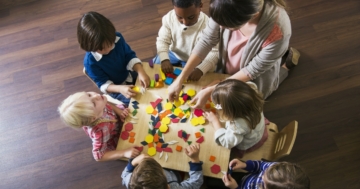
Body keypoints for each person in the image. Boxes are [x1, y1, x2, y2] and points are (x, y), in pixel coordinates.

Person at [168, 0, 300, 108]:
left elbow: (252, 70)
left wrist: (213, 88)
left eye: (227, 27)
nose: (221, 29)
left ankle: (286, 66)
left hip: (255, 73)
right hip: (232, 61)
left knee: (262, 90)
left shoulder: (279, 32)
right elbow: (207, 40)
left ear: (252, 16)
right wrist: (181, 78)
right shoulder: (223, 5)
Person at [77, 11, 150, 106]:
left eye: (110, 44)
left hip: (129, 74)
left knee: (149, 85)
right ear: (89, 46)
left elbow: (129, 56)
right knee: (139, 103)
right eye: (101, 49)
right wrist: (121, 89)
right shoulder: (90, 62)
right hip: (116, 89)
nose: (108, 50)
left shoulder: (117, 38)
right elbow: (103, 84)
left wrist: (141, 71)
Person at [58, 91, 140, 161]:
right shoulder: (100, 131)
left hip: (117, 119)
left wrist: (119, 112)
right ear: (93, 118)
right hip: (116, 135)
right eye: (93, 103)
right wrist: (124, 153)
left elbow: (107, 103)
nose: (96, 96)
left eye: (89, 95)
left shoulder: (100, 103)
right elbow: (99, 157)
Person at [154, 0, 218, 81]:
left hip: (194, 59)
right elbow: (162, 40)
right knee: (155, 67)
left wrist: (200, 69)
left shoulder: (208, 26)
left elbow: (215, 52)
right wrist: (164, 59)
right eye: (179, 17)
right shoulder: (169, 18)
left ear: (200, 6)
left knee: (192, 80)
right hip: (173, 53)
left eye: (191, 17)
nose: (185, 22)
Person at [203, 79, 267, 158]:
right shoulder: (251, 90)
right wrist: (215, 88)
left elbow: (227, 142)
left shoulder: (238, 126)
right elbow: (234, 89)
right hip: (259, 128)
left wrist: (215, 121)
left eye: (218, 105)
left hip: (251, 142)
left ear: (230, 112)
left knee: (227, 153)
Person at [121, 144, 203, 189]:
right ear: (167, 187)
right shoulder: (174, 187)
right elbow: (195, 183)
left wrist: (133, 163)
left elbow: (124, 175)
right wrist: (195, 159)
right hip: (175, 175)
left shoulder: (131, 182)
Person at [220, 159, 310, 189]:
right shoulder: (274, 167)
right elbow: (261, 165)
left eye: (263, 183)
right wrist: (245, 165)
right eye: (265, 172)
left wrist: (235, 187)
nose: (262, 176)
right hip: (244, 178)